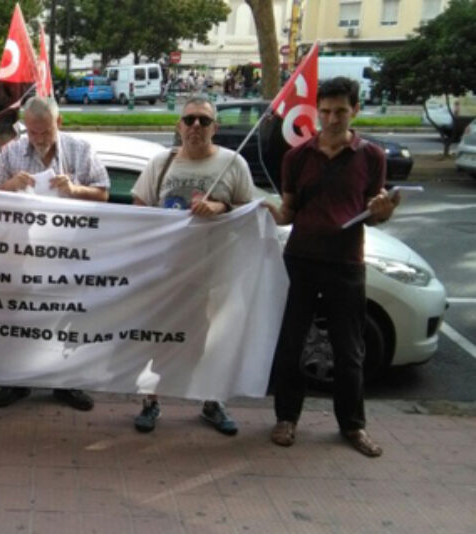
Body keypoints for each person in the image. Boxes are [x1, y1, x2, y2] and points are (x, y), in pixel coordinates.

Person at [265, 77, 398, 458]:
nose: (332, 119)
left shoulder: (371, 156)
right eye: (325, 111)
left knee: (349, 350)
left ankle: (353, 426)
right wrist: (268, 214)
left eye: (340, 111)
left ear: (355, 110)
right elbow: (289, 210)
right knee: (291, 344)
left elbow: (372, 214)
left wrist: (382, 213)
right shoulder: (298, 157)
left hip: (346, 262)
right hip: (300, 259)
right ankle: (286, 419)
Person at [129, 95, 254, 435]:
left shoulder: (233, 164)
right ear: (178, 126)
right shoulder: (161, 164)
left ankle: (212, 403)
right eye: (189, 120)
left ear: (216, 126)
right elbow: (137, 209)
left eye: (203, 120)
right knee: (158, 339)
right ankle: (150, 401)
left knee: (210, 342)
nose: (195, 126)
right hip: (166, 273)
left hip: (214, 274)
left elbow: (249, 211)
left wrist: (221, 207)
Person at [0, 96, 110, 412]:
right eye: (32, 133)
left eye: (45, 133)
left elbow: (104, 193)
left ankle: (66, 384)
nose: (39, 139)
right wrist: (11, 185)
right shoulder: (12, 152)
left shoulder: (80, 150)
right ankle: (17, 382)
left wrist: (75, 190)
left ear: (60, 123)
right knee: (22, 318)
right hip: (23, 254)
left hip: (70, 254)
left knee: (69, 318)